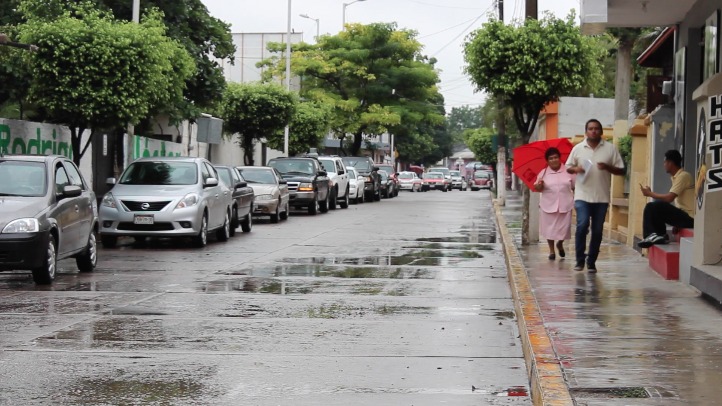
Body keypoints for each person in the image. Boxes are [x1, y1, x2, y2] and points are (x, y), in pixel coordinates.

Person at [565, 119, 625, 273]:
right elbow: (568, 168)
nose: (594, 131)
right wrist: (576, 169)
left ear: (601, 132)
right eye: (590, 129)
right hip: (582, 195)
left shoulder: (610, 149)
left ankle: (591, 261)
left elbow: (621, 170)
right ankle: (579, 260)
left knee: (597, 230)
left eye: (596, 129)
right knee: (582, 225)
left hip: (601, 197)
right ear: (586, 131)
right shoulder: (578, 148)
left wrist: (608, 167)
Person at [637, 150, 695, 248]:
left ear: (670, 163)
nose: (664, 165)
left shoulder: (683, 176)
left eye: (665, 162)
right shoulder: (676, 177)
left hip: (691, 218)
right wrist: (677, 223)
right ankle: (660, 235)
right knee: (656, 209)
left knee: (652, 206)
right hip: (686, 216)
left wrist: (650, 194)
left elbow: (669, 198)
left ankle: (650, 235)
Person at [534, 147, 575, 260]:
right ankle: (552, 250)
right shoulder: (543, 173)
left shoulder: (568, 171)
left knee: (564, 228)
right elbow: (537, 187)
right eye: (551, 158)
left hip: (565, 204)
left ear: (559, 158)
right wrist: (539, 185)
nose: (554, 160)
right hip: (548, 205)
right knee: (549, 229)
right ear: (547, 161)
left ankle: (560, 243)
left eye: (556, 157)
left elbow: (575, 186)